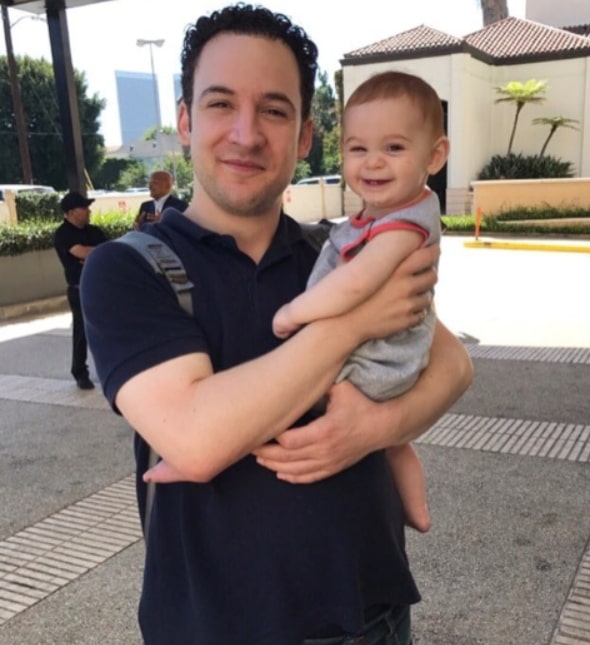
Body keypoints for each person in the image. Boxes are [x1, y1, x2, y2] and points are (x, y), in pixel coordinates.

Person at [81, 5, 473, 644]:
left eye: (273, 109)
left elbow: (453, 364)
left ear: (304, 136)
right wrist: (350, 327)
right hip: (213, 628)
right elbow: (198, 438)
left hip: (372, 616)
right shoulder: (130, 270)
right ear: (184, 120)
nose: (245, 133)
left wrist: (370, 429)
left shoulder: (337, 250)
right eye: (219, 104)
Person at [272, 71, 450, 534]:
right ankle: (419, 512)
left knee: (285, 391)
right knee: (396, 444)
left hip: (377, 362)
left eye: (394, 148)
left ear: (435, 155)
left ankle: (210, 450)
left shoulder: (403, 226)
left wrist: (294, 312)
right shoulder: (390, 211)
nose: (373, 163)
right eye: (358, 148)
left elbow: (355, 283)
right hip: (393, 361)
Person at [53, 191, 106, 389]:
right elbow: (81, 252)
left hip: (102, 286)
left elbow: (108, 250)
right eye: (84, 208)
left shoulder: (94, 231)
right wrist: (93, 252)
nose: (88, 211)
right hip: (79, 288)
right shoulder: (63, 234)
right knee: (82, 332)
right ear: (72, 212)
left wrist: (91, 254)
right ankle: (80, 372)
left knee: (108, 328)